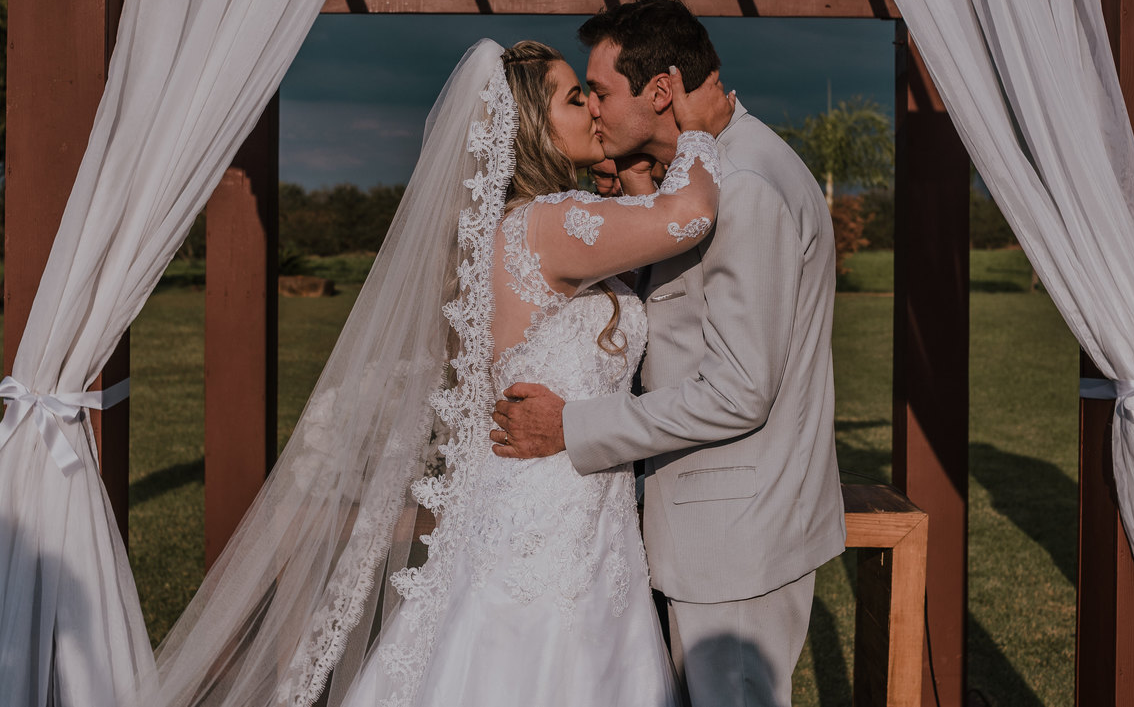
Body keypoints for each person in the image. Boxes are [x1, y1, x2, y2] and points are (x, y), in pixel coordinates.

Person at [142, 38, 733, 707]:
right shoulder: (549, 224)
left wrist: (632, 182)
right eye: (576, 99)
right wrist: (698, 134)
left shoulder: (524, 227)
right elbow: (690, 216)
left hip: (574, 515)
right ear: (531, 126)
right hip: (546, 526)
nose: (595, 110)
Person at [492, 0, 846, 707]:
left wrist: (573, 426)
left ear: (660, 91)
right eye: (581, 96)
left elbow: (739, 391)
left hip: (735, 542)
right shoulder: (705, 177)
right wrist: (645, 181)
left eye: (598, 91)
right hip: (661, 535)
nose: (594, 110)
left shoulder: (742, 187)